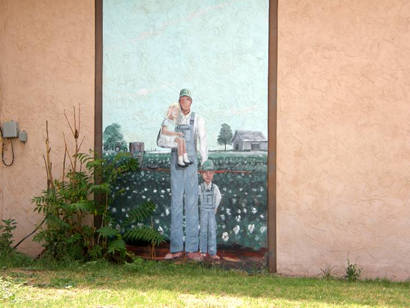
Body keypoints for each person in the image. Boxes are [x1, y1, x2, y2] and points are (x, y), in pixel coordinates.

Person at [164, 89, 208, 261]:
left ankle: (191, 248)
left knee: (191, 203)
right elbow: (162, 139)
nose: (184, 102)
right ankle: (175, 249)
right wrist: (175, 141)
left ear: (191, 101)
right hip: (176, 165)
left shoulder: (197, 119)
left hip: (191, 167)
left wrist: (205, 163)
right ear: (179, 102)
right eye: (182, 99)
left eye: (187, 99)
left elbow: (202, 141)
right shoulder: (172, 118)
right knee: (176, 203)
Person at [198, 159, 221, 260]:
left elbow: (219, 197)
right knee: (203, 231)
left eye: (210, 173)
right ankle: (203, 251)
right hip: (203, 212)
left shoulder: (215, 188)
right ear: (201, 174)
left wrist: (215, 207)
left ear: (213, 174)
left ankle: (212, 252)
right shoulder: (200, 187)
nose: (208, 175)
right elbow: (196, 198)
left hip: (211, 212)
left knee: (212, 230)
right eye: (205, 173)